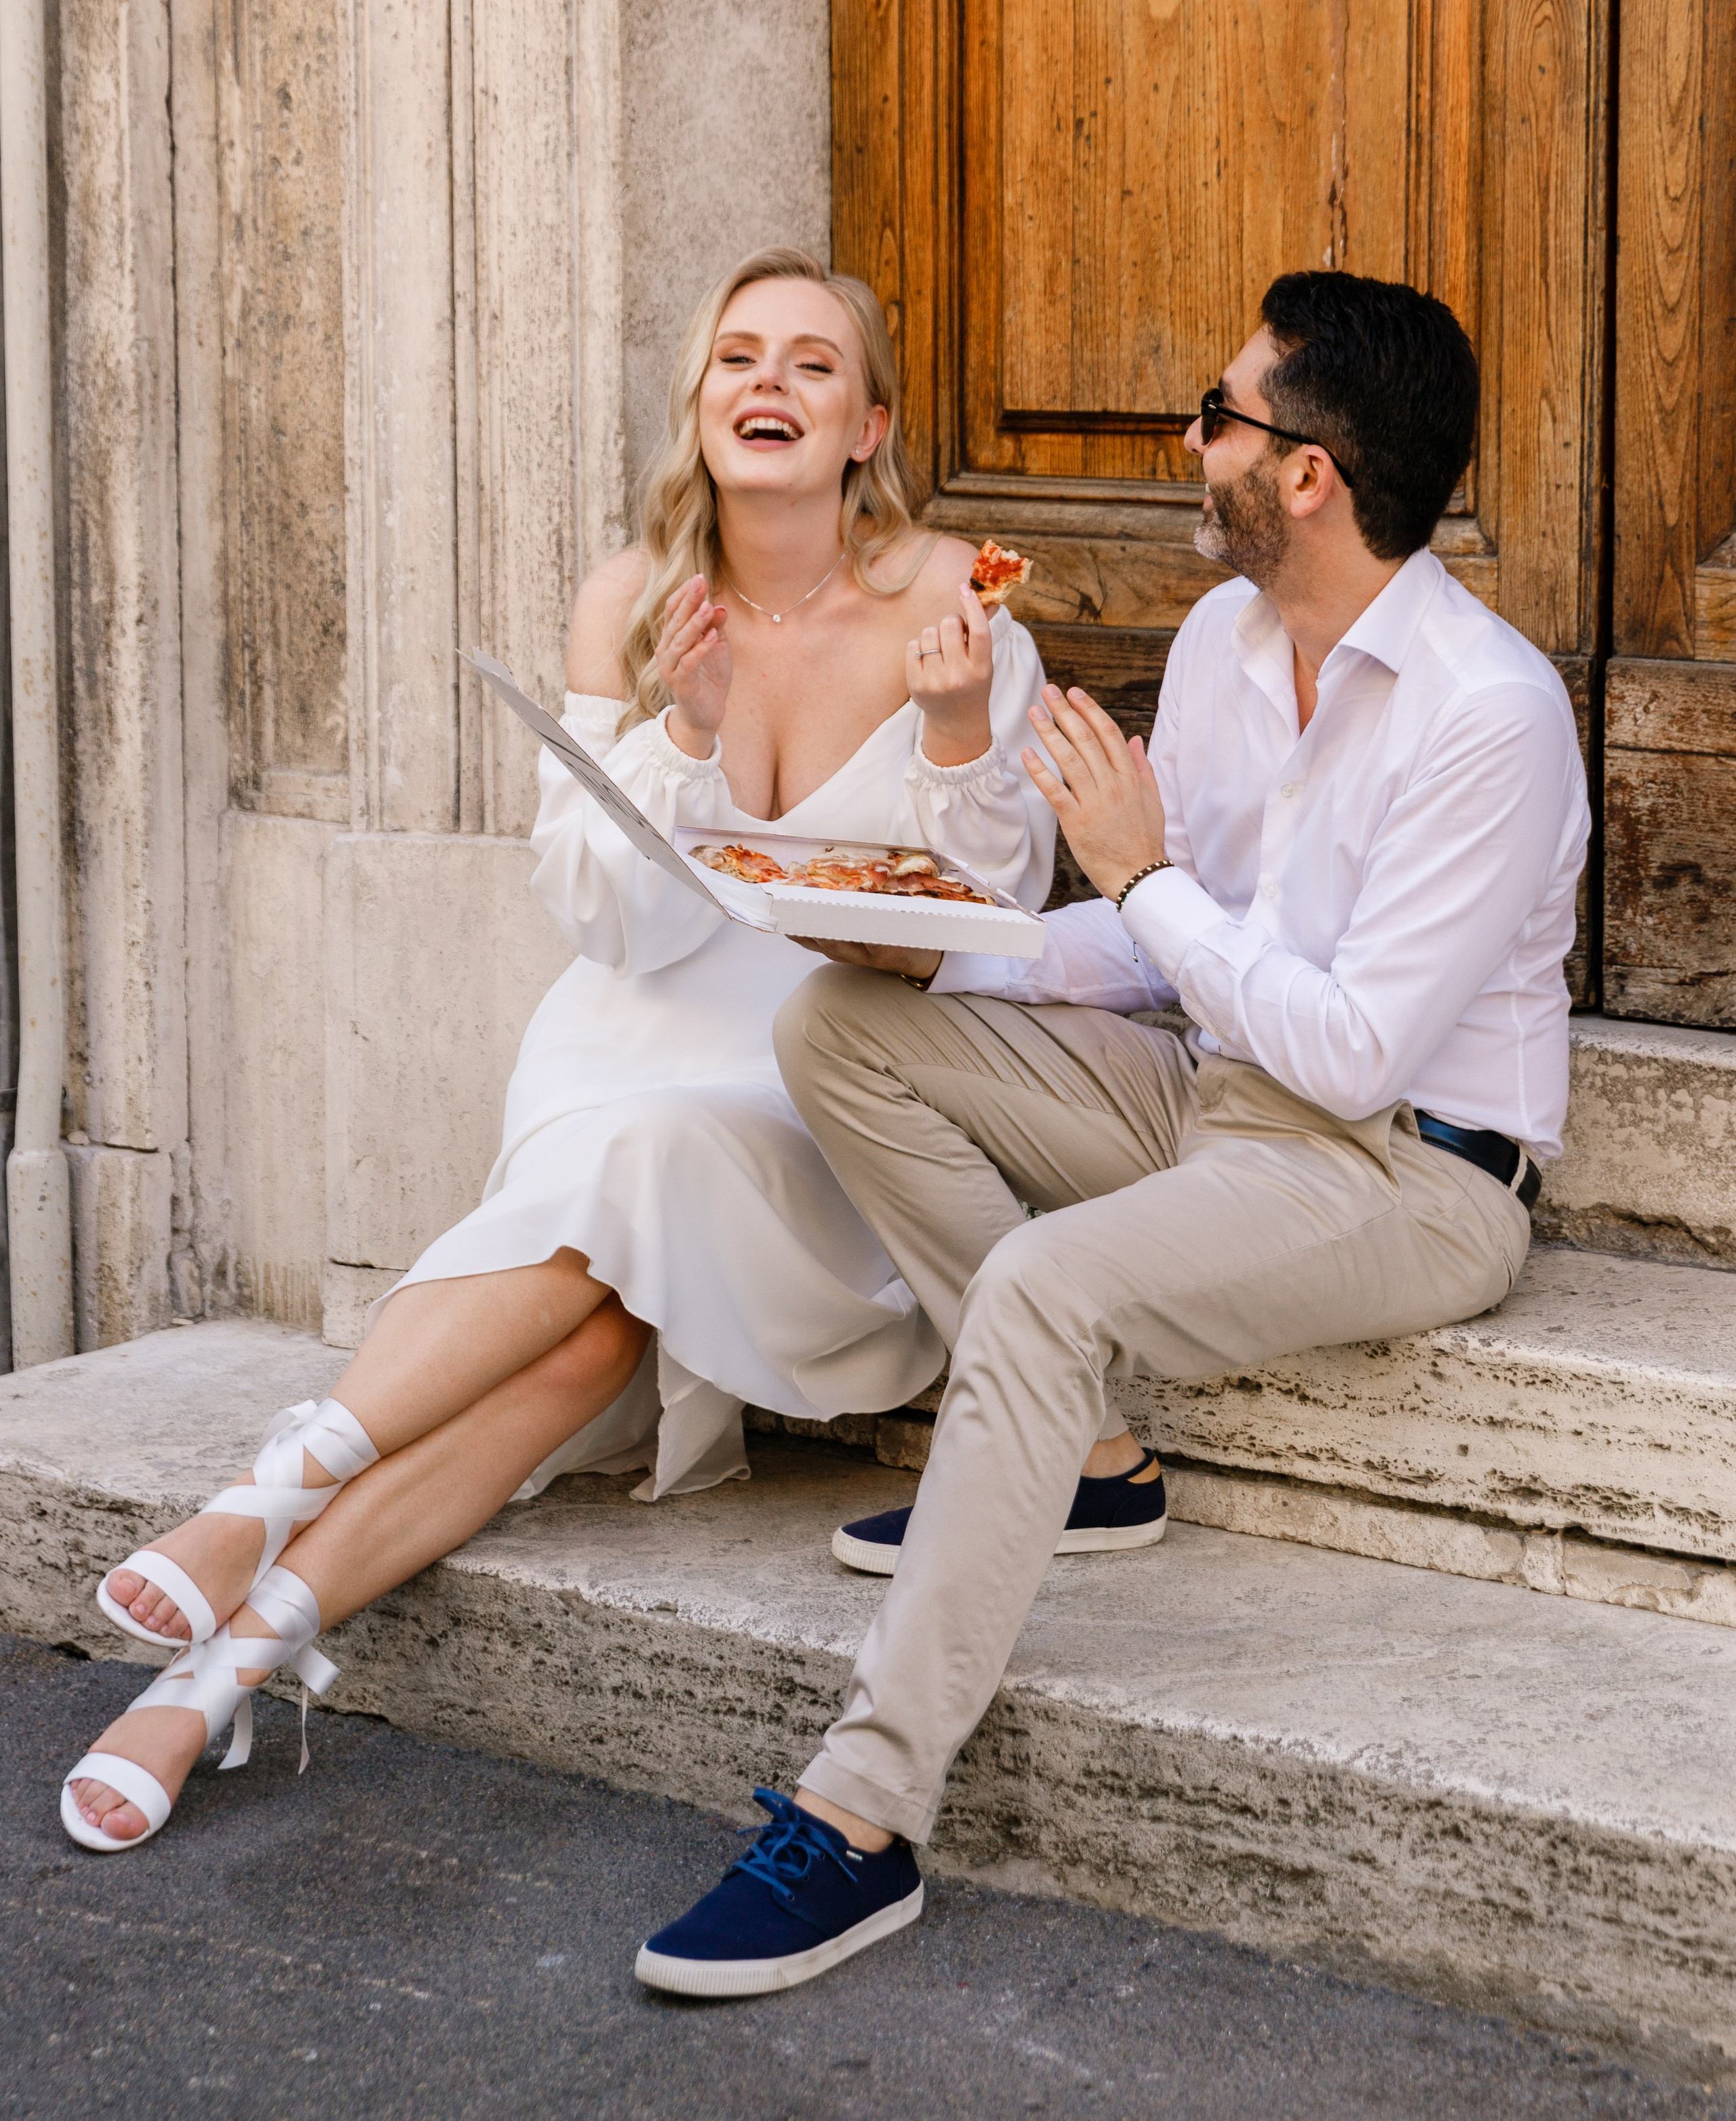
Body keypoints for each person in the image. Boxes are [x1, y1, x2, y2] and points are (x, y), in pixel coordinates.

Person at [635, 269, 1591, 1998]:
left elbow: (1357, 1051)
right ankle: (1077, 1466)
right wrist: (951, 948)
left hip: (1411, 1174)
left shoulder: (1487, 711)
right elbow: (1164, 954)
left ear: (1302, 474)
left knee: (1050, 1293)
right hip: (1218, 1094)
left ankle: (859, 1820)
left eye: (1218, 417)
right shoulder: (1229, 645)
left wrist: (1136, 870)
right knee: (841, 1028)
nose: (1187, 441)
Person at [61, 245, 1059, 1853]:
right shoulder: (631, 599)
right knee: (589, 1342)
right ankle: (221, 1671)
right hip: (627, 1032)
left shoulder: (953, 597)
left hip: (813, 1074)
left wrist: (953, 735)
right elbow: (611, 922)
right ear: (699, 401)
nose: (768, 386)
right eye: (737, 357)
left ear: (868, 424)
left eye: (812, 364)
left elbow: (984, 914)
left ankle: (266, 1494)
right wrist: (679, 722)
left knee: (636, 1186)